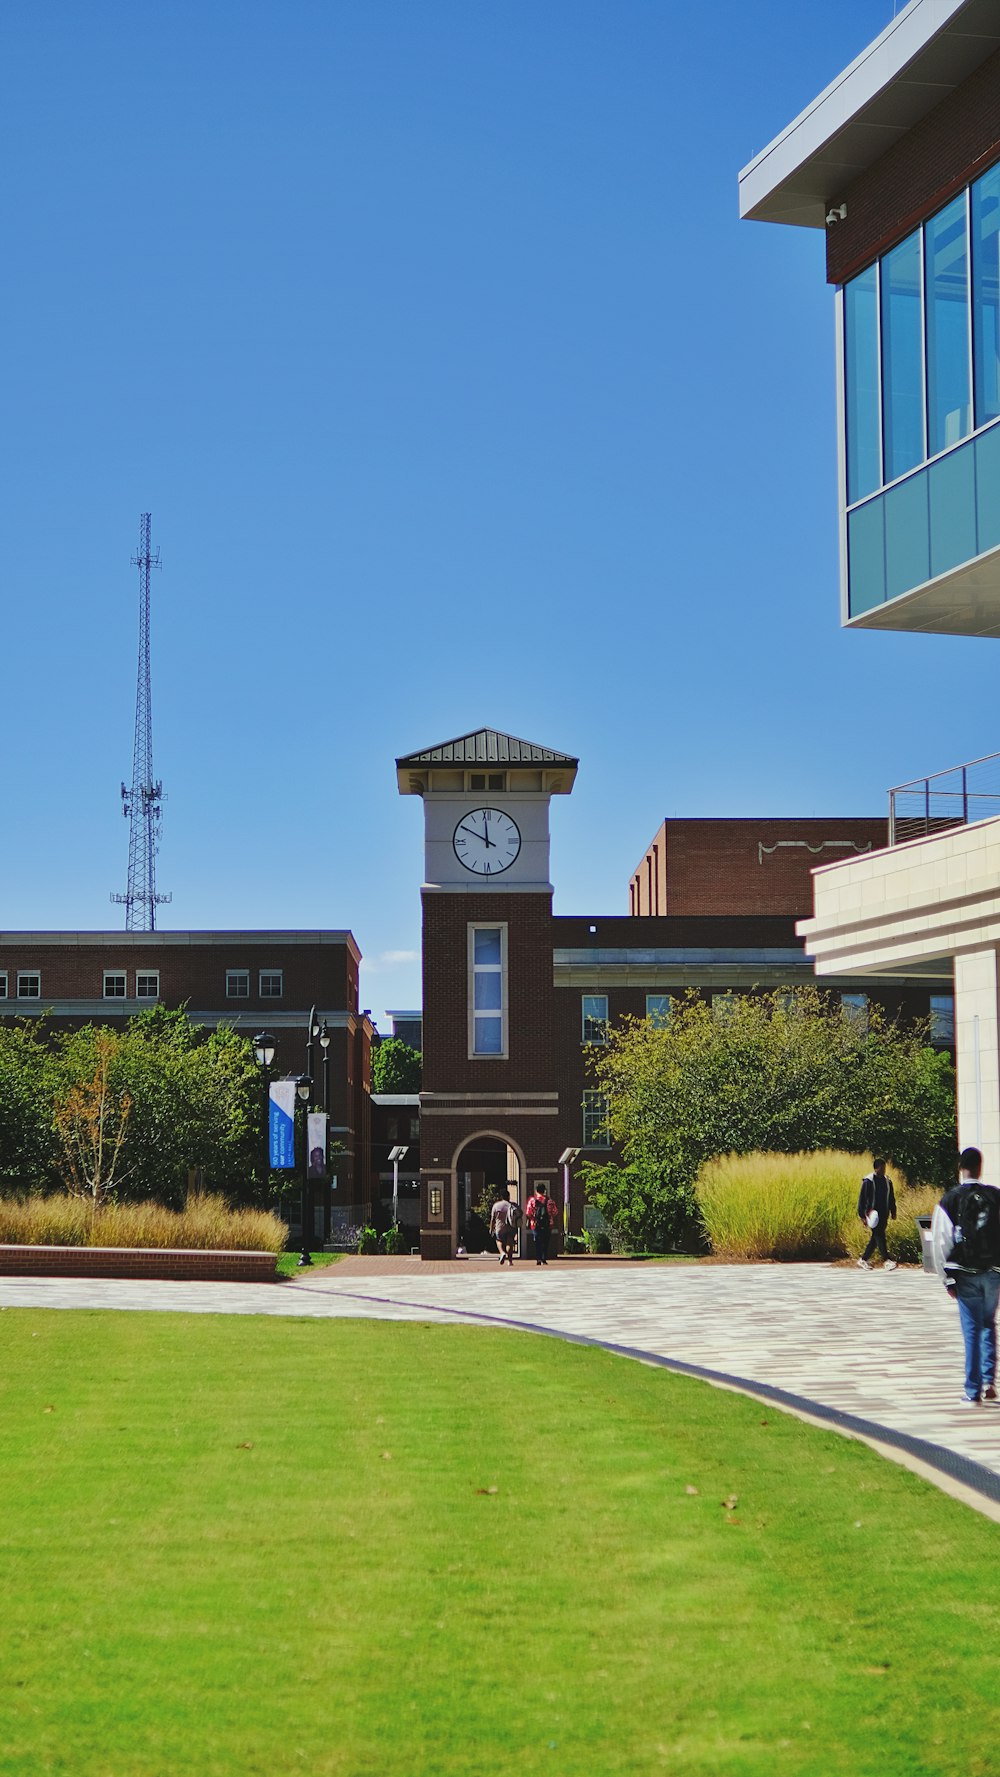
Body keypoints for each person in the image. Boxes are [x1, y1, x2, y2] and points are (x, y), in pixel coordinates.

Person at [932, 1146, 1000, 1407]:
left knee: (971, 1327)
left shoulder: (950, 1199)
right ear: (981, 1168)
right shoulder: (994, 1196)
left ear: (961, 1168)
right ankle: (988, 1381)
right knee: (988, 1323)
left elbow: (940, 1243)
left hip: (966, 1273)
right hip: (993, 1271)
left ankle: (972, 1392)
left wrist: (946, 1278)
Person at [856, 1158, 898, 1270]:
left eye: (884, 1167)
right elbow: (862, 1199)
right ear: (875, 1168)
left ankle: (863, 1259)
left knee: (876, 1237)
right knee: (880, 1235)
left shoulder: (887, 1181)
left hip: (884, 1213)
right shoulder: (868, 1181)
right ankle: (887, 1260)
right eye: (881, 1167)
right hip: (872, 1214)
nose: (883, 1170)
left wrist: (893, 1210)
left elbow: (891, 1197)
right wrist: (862, 1216)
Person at [525, 1184, 559, 1267]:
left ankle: (538, 1258)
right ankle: (544, 1258)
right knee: (545, 1241)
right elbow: (555, 1212)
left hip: (535, 1224)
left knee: (537, 1242)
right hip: (548, 1224)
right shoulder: (550, 1201)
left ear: (536, 1191)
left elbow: (528, 1213)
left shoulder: (532, 1200)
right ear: (544, 1190)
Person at [489, 1190, 515, 1265]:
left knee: (498, 1240)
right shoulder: (513, 1205)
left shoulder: (496, 1205)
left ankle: (502, 1252)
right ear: (508, 1196)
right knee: (509, 1243)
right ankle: (510, 1261)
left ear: (501, 1197)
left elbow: (492, 1219)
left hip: (500, 1227)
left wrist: (491, 1228)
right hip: (511, 1227)